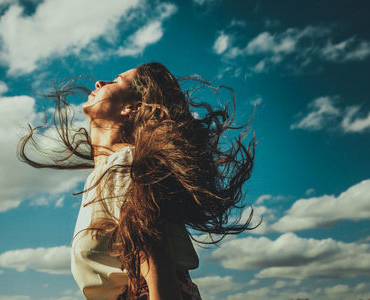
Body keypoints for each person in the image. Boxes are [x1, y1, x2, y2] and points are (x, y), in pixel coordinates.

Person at [19, 62, 255, 299]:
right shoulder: (110, 172)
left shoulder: (126, 166)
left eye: (116, 80)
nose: (100, 83)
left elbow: (157, 266)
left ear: (132, 107)